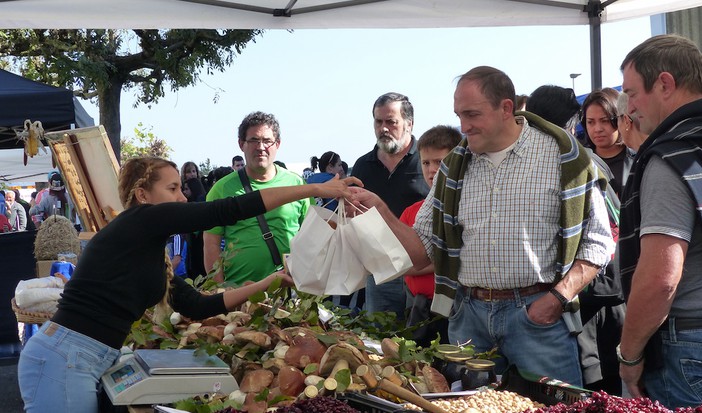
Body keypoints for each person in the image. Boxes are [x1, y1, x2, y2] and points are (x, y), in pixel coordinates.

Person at [17, 156, 361, 413]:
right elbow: (226, 211)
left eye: (182, 188)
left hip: (86, 357)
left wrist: (268, 282)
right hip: (64, 356)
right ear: (142, 194)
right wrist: (318, 188)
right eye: (172, 189)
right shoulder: (142, 219)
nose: (183, 198)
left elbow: (198, 306)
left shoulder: (149, 250)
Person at [350, 66, 613, 386]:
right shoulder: (454, 167)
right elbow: (422, 251)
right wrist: (382, 213)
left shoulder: (563, 156)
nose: (463, 126)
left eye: (472, 114)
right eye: (459, 114)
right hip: (469, 319)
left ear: (506, 108)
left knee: (555, 409)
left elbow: (598, 242)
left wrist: (557, 299)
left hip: (538, 318)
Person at [617, 34, 702, 410]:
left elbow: (660, 278)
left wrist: (630, 356)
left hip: (693, 344)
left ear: (665, 84)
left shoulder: (671, 157)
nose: (630, 108)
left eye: (633, 93)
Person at [528, 84, 625, 395]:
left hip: (588, 308)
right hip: (568, 304)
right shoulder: (543, 164)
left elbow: (609, 237)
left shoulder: (583, 165)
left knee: (589, 393)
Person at [204, 111, 310, 286]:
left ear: (278, 144)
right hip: (240, 293)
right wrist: (221, 293)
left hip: (291, 293)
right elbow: (211, 245)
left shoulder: (296, 183)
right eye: (254, 140)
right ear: (241, 144)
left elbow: (311, 235)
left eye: (267, 141)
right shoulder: (221, 189)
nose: (261, 147)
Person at [350, 92, 430, 318]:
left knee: (423, 342)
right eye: (378, 121)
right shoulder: (363, 165)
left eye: (391, 122)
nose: (383, 128)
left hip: (424, 271)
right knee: (380, 342)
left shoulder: (427, 161)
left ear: (409, 124)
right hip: (381, 273)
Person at [401, 125, 461, 347]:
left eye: (439, 162)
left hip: (454, 306)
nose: (431, 169)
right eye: (426, 163)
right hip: (416, 303)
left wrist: (425, 262)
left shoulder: (464, 207)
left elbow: (460, 258)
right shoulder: (411, 211)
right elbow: (397, 258)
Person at [581, 89, 635, 197]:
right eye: (591, 122)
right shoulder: (581, 161)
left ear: (619, 120)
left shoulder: (638, 159)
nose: (597, 129)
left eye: (604, 121)